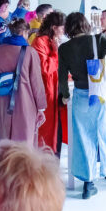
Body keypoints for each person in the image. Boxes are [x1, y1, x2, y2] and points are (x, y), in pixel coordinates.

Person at [58, 13, 106, 199]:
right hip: (99, 94)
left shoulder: (64, 48)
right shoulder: (97, 40)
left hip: (80, 95)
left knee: (82, 139)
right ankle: (102, 171)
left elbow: (62, 78)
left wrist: (64, 95)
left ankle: (88, 182)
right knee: (101, 134)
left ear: (69, 27)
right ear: (85, 25)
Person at [0, 19, 47, 147]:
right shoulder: (30, 52)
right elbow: (36, 81)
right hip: (26, 100)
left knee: (6, 135)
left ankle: (7, 164)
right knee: (25, 135)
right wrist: (41, 106)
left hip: (4, 98)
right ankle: (24, 164)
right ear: (24, 32)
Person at [31, 11, 66, 154]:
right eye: (62, 27)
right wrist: (56, 52)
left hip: (56, 88)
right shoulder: (39, 42)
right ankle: (45, 162)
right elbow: (44, 69)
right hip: (46, 90)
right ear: (54, 27)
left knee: (57, 127)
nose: (64, 30)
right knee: (46, 128)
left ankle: (53, 158)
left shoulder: (54, 40)